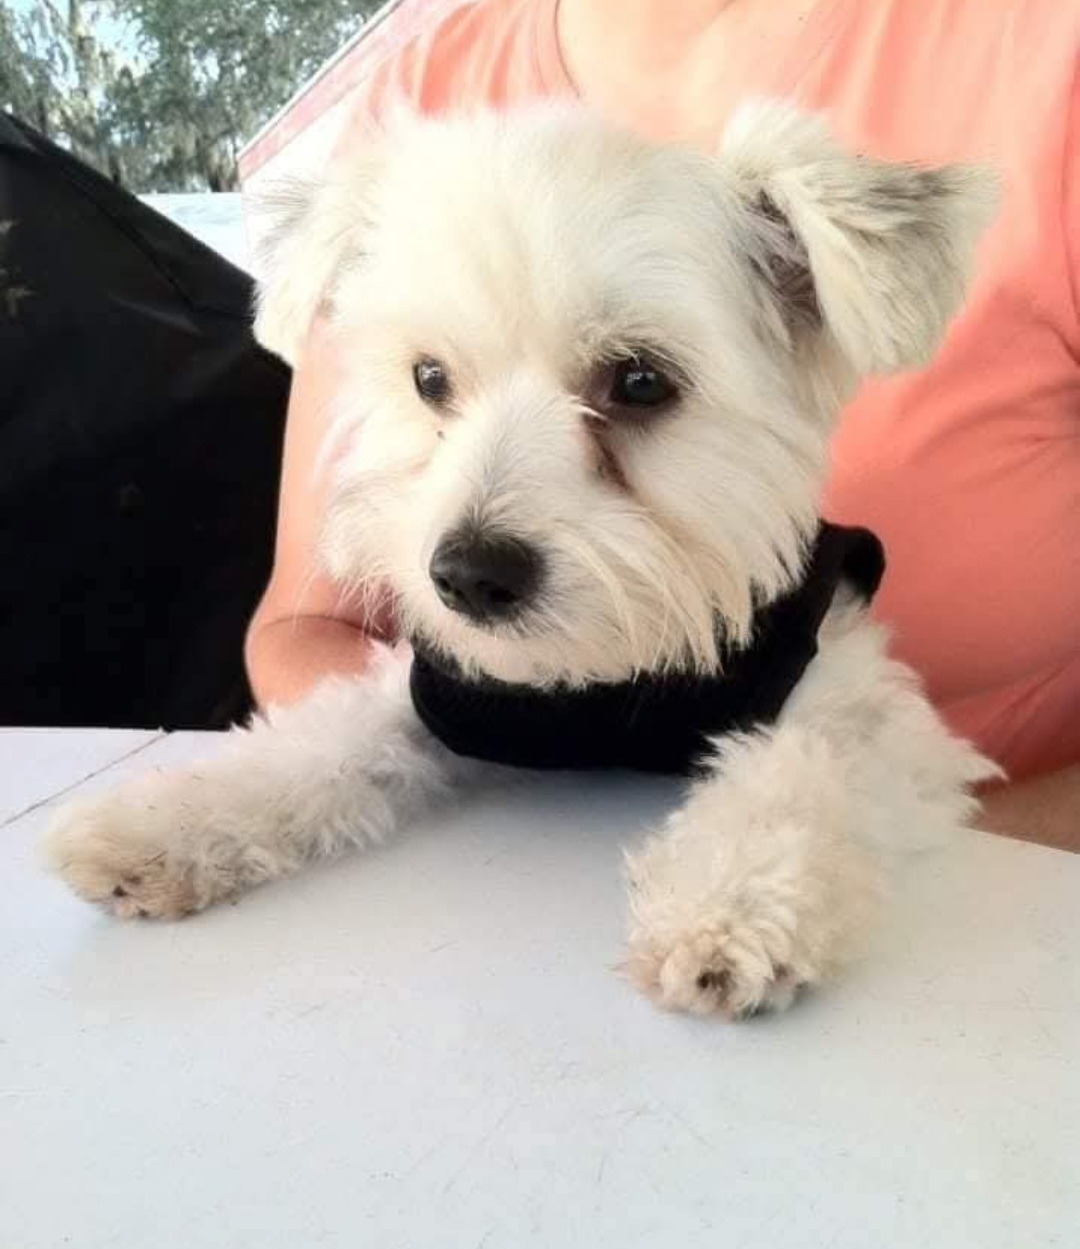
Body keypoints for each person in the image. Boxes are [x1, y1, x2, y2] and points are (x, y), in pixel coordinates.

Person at [245, 0, 1080, 851]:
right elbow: (307, 631)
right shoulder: (426, 88)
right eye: (434, 383)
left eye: (638, 385)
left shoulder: (1043, 60)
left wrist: (917, 867)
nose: (474, 535)